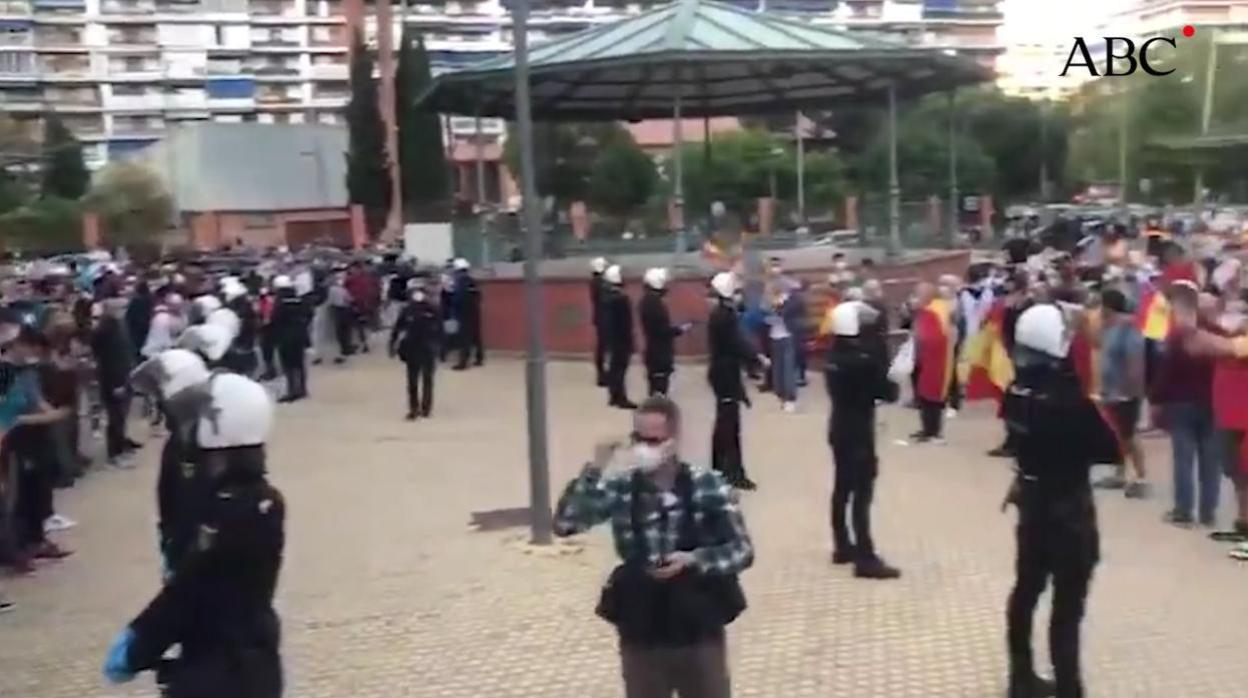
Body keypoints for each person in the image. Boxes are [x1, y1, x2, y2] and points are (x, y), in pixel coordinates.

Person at [553, 395, 754, 698]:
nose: (643, 447)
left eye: (653, 439)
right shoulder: (621, 487)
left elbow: (741, 550)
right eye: (638, 438)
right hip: (641, 627)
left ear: (673, 440)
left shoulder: (708, 485)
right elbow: (566, 523)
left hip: (696, 628)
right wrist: (594, 469)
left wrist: (693, 559)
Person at [103, 373, 285, 698]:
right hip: (249, 658)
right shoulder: (258, 498)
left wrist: (140, 642)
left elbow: (188, 593)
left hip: (222, 671)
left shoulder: (231, 511)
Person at [1003, 303, 1112, 698]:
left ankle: (1020, 678)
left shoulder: (1015, 389)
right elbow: (1109, 449)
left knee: (1026, 591)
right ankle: (1069, 688)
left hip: (1032, 503)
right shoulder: (1069, 400)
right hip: (1068, 511)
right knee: (1067, 608)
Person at [825, 300, 900, 580]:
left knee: (841, 487)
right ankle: (865, 558)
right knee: (862, 493)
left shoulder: (834, 354)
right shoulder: (863, 361)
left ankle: (842, 545)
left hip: (838, 427)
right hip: (858, 430)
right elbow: (888, 392)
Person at [129, 349, 212, 577]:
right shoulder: (176, 442)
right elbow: (167, 496)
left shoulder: (205, 438)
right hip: (177, 537)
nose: (159, 400)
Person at [1151, 279, 1221, 528]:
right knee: (1210, 459)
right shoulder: (1216, 334)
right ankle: (1208, 512)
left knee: (1184, 458)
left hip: (1180, 403)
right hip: (1212, 403)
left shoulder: (1177, 336)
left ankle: (1183, 510)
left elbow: (1166, 372)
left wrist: (1156, 400)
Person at [707, 272, 767, 491]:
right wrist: (757, 358)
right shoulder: (725, 316)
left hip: (722, 372)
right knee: (729, 425)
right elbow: (738, 343)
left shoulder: (722, 313)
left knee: (724, 422)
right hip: (726, 374)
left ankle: (720, 468)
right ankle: (732, 473)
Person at [1093, 288, 1150, 497]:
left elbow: (1135, 361)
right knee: (1118, 435)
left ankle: (1142, 478)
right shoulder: (1110, 328)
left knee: (1129, 435)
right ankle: (1120, 474)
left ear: (1108, 306)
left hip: (1125, 391)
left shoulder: (1129, 329)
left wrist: (1132, 390)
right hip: (1112, 391)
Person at [92, 296, 137, 467]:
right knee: (116, 418)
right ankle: (114, 454)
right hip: (113, 379)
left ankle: (120, 448)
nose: (122, 311)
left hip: (122, 376)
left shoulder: (118, 327)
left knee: (121, 417)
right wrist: (116, 383)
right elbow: (109, 359)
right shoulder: (106, 330)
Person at [389, 278, 442, 420]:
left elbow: (440, 330)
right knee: (412, 381)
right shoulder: (407, 310)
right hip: (411, 349)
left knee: (427, 380)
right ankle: (414, 409)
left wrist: (441, 349)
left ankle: (426, 408)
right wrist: (392, 345)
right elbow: (397, 328)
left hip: (428, 348)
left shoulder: (433, 309)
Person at [908, 282, 954, 444]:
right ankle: (927, 428)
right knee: (924, 393)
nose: (916, 298)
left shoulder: (934, 311)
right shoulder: (930, 310)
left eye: (918, 294)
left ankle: (933, 430)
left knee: (932, 394)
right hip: (927, 357)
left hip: (934, 359)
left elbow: (931, 337)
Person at [637, 267, 690, 397]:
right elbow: (660, 330)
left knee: (657, 385)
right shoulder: (653, 304)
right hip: (658, 352)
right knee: (659, 387)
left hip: (656, 350)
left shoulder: (649, 301)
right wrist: (679, 330)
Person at [270, 275, 311, 403]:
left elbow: (275, 319)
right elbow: (307, 314)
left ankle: (292, 390)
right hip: (299, 335)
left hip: (285, 336)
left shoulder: (279, 301)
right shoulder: (298, 298)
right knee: (299, 363)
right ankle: (302, 389)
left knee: (288, 365)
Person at [602, 265, 636, 409]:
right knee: (620, 369)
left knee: (614, 368)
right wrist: (630, 341)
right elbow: (627, 323)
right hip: (622, 339)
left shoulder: (606, 297)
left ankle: (613, 395)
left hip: (612, 338)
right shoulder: (622, 299)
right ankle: (621, 397)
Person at [451, 258, 484, 370]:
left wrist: (454, 309)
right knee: (476, 335)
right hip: (474, 310)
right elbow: (479, 296)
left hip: (463, 312)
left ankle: (463, 363)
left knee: (464, 337)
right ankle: (479, 358)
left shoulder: (460, 282)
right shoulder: (472, 281)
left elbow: (457, 298)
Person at [590, 257, 609, 387]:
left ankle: (602, 374)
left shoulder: (594, 282)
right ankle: (602, 375)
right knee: (603, 347)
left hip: (600, 317)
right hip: (604, 317)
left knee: (602, 347)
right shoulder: (600, 283)